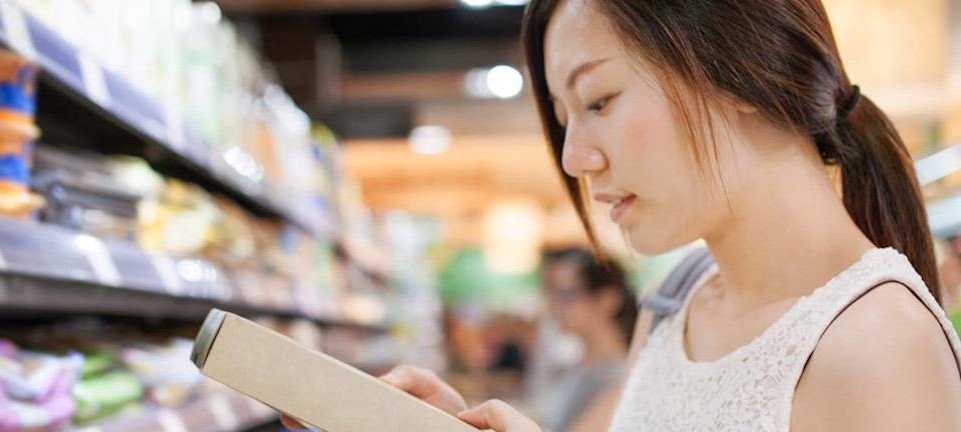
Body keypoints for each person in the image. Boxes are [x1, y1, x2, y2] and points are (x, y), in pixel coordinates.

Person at [284, 0, 961, 430]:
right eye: (564, 118)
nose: (576, 157)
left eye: (600, 100)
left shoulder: (878, 345)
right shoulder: (679, 298)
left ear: (742, 73)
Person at [536, 248, 635, 432]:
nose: (555, 305)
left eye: (566, 295)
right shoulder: (577, 368)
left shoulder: (622, 376)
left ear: (607, 300)